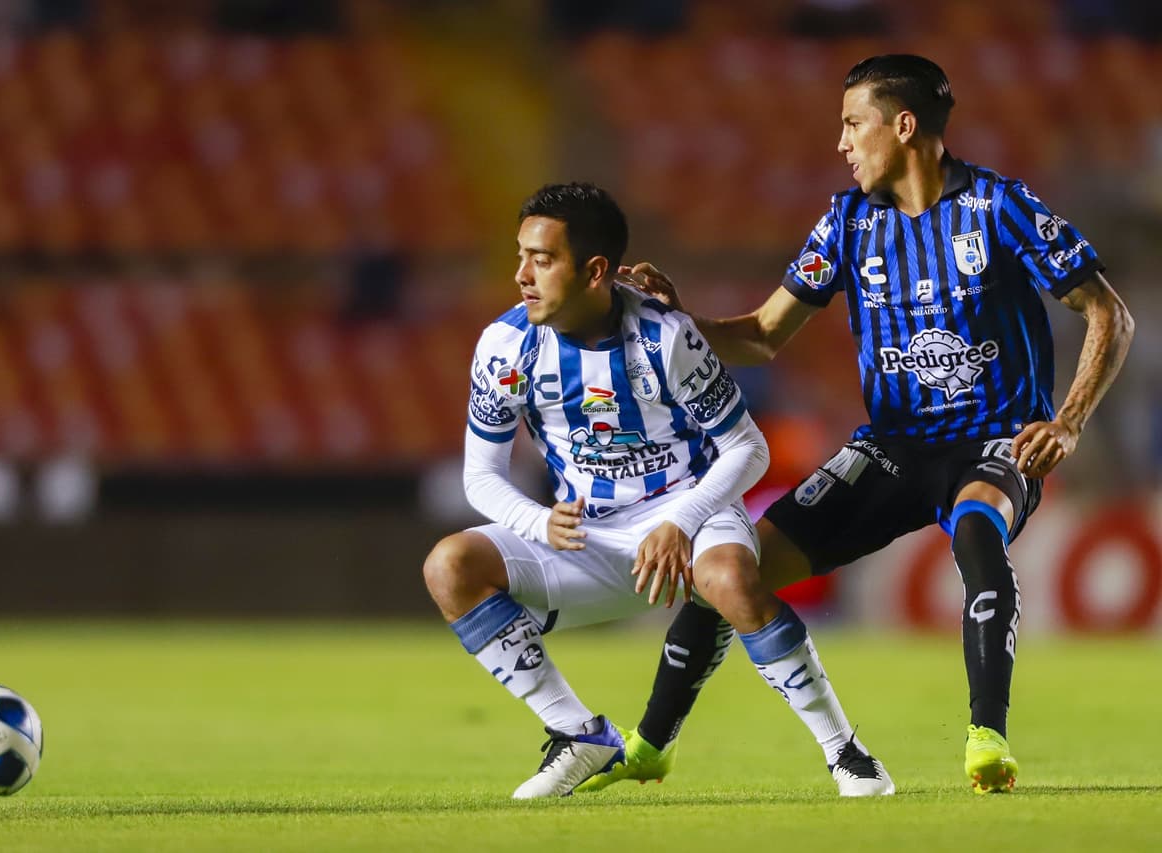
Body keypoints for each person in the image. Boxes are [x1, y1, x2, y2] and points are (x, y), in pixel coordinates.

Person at [580, 54, 1135, 796]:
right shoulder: (847, 222)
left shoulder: (998, 208)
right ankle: (649, 744)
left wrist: (1067, 421)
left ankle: (986, 738)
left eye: (852, 123)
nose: (841, 142)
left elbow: (1108, 310)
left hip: (996, 436)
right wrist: (673, 319)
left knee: (977, 526)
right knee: (733, 570)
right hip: (896, 444)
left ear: (904, 126)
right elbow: (764, 334)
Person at [423, 182, 895, 798]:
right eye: (521, 256)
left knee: (730, 579)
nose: (521, 275)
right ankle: (580, 735)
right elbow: (480, 475)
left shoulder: (665, 337)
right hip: (585, 535)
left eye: (542, 259)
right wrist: (538, 524)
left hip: (688, 515)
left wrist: (681, 521)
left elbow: (748, 449)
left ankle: (845, 751)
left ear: (594, 271)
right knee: (450, 565)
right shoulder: (506, 347)